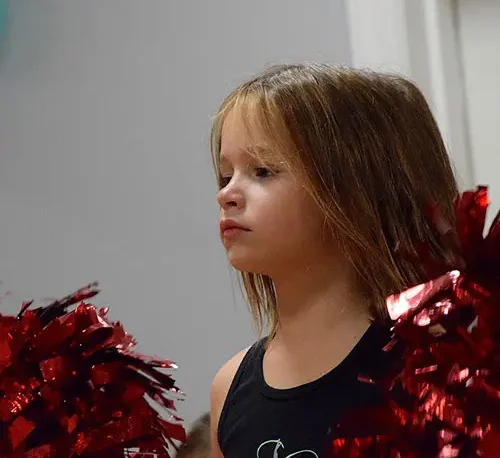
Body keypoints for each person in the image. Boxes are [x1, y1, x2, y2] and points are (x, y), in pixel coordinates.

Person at [209, 63, 459, 458]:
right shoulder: (229, 390)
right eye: (225, 176)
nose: (227, 194)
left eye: (262, 171)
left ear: (358, 191)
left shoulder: (434, 369)